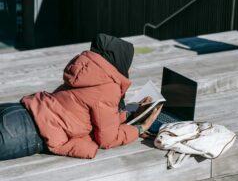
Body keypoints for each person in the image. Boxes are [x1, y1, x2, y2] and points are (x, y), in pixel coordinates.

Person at [0, 33, 162, 160]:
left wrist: (131, 112)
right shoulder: (108, 87)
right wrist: (140, 128)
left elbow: (96, 112)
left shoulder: (89, 71)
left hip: (18, 111)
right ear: (120, 63)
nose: (130, 69)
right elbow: (108, 139)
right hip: (27, 132)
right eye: (128, 64)